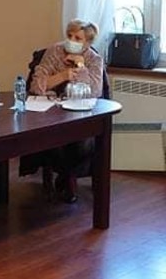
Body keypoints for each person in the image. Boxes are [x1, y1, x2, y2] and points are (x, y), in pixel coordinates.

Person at [24, 19, 104, 203]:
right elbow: (36, 86)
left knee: (82, 142)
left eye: (78, 38)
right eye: (69, 36)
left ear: (87, 43)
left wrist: (81, 67)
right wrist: (62, 76)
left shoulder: (94, 59)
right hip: (53, 113)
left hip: (82, 115)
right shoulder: (54, 52)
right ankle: (68, 179)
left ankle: (66, 177)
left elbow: (95, 91)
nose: (71, 41)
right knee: (54, 137)